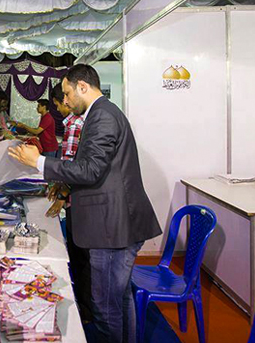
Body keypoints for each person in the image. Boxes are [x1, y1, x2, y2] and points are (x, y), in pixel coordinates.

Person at [9, 64, 161, 343]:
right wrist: (65, 185)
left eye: (67, 93)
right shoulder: (102, 113)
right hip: (115, 222)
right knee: (119, 299)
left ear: (82, 86)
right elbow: (97, 168)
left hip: (112, 227)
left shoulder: (102, 116)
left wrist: (39, 162)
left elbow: (90, 170)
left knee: (105, 307)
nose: (65, 101)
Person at [43, 84, 92, 322]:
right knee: (80, 255)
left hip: (78, 201)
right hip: (79, 198)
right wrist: (59, 186)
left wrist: (62, 195)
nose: (62, 104)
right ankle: (85, 303)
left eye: (64, 98)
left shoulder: (74, 124)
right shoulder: (79, 121)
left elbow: (72, 165)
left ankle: (85, 308)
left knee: (79, 257)